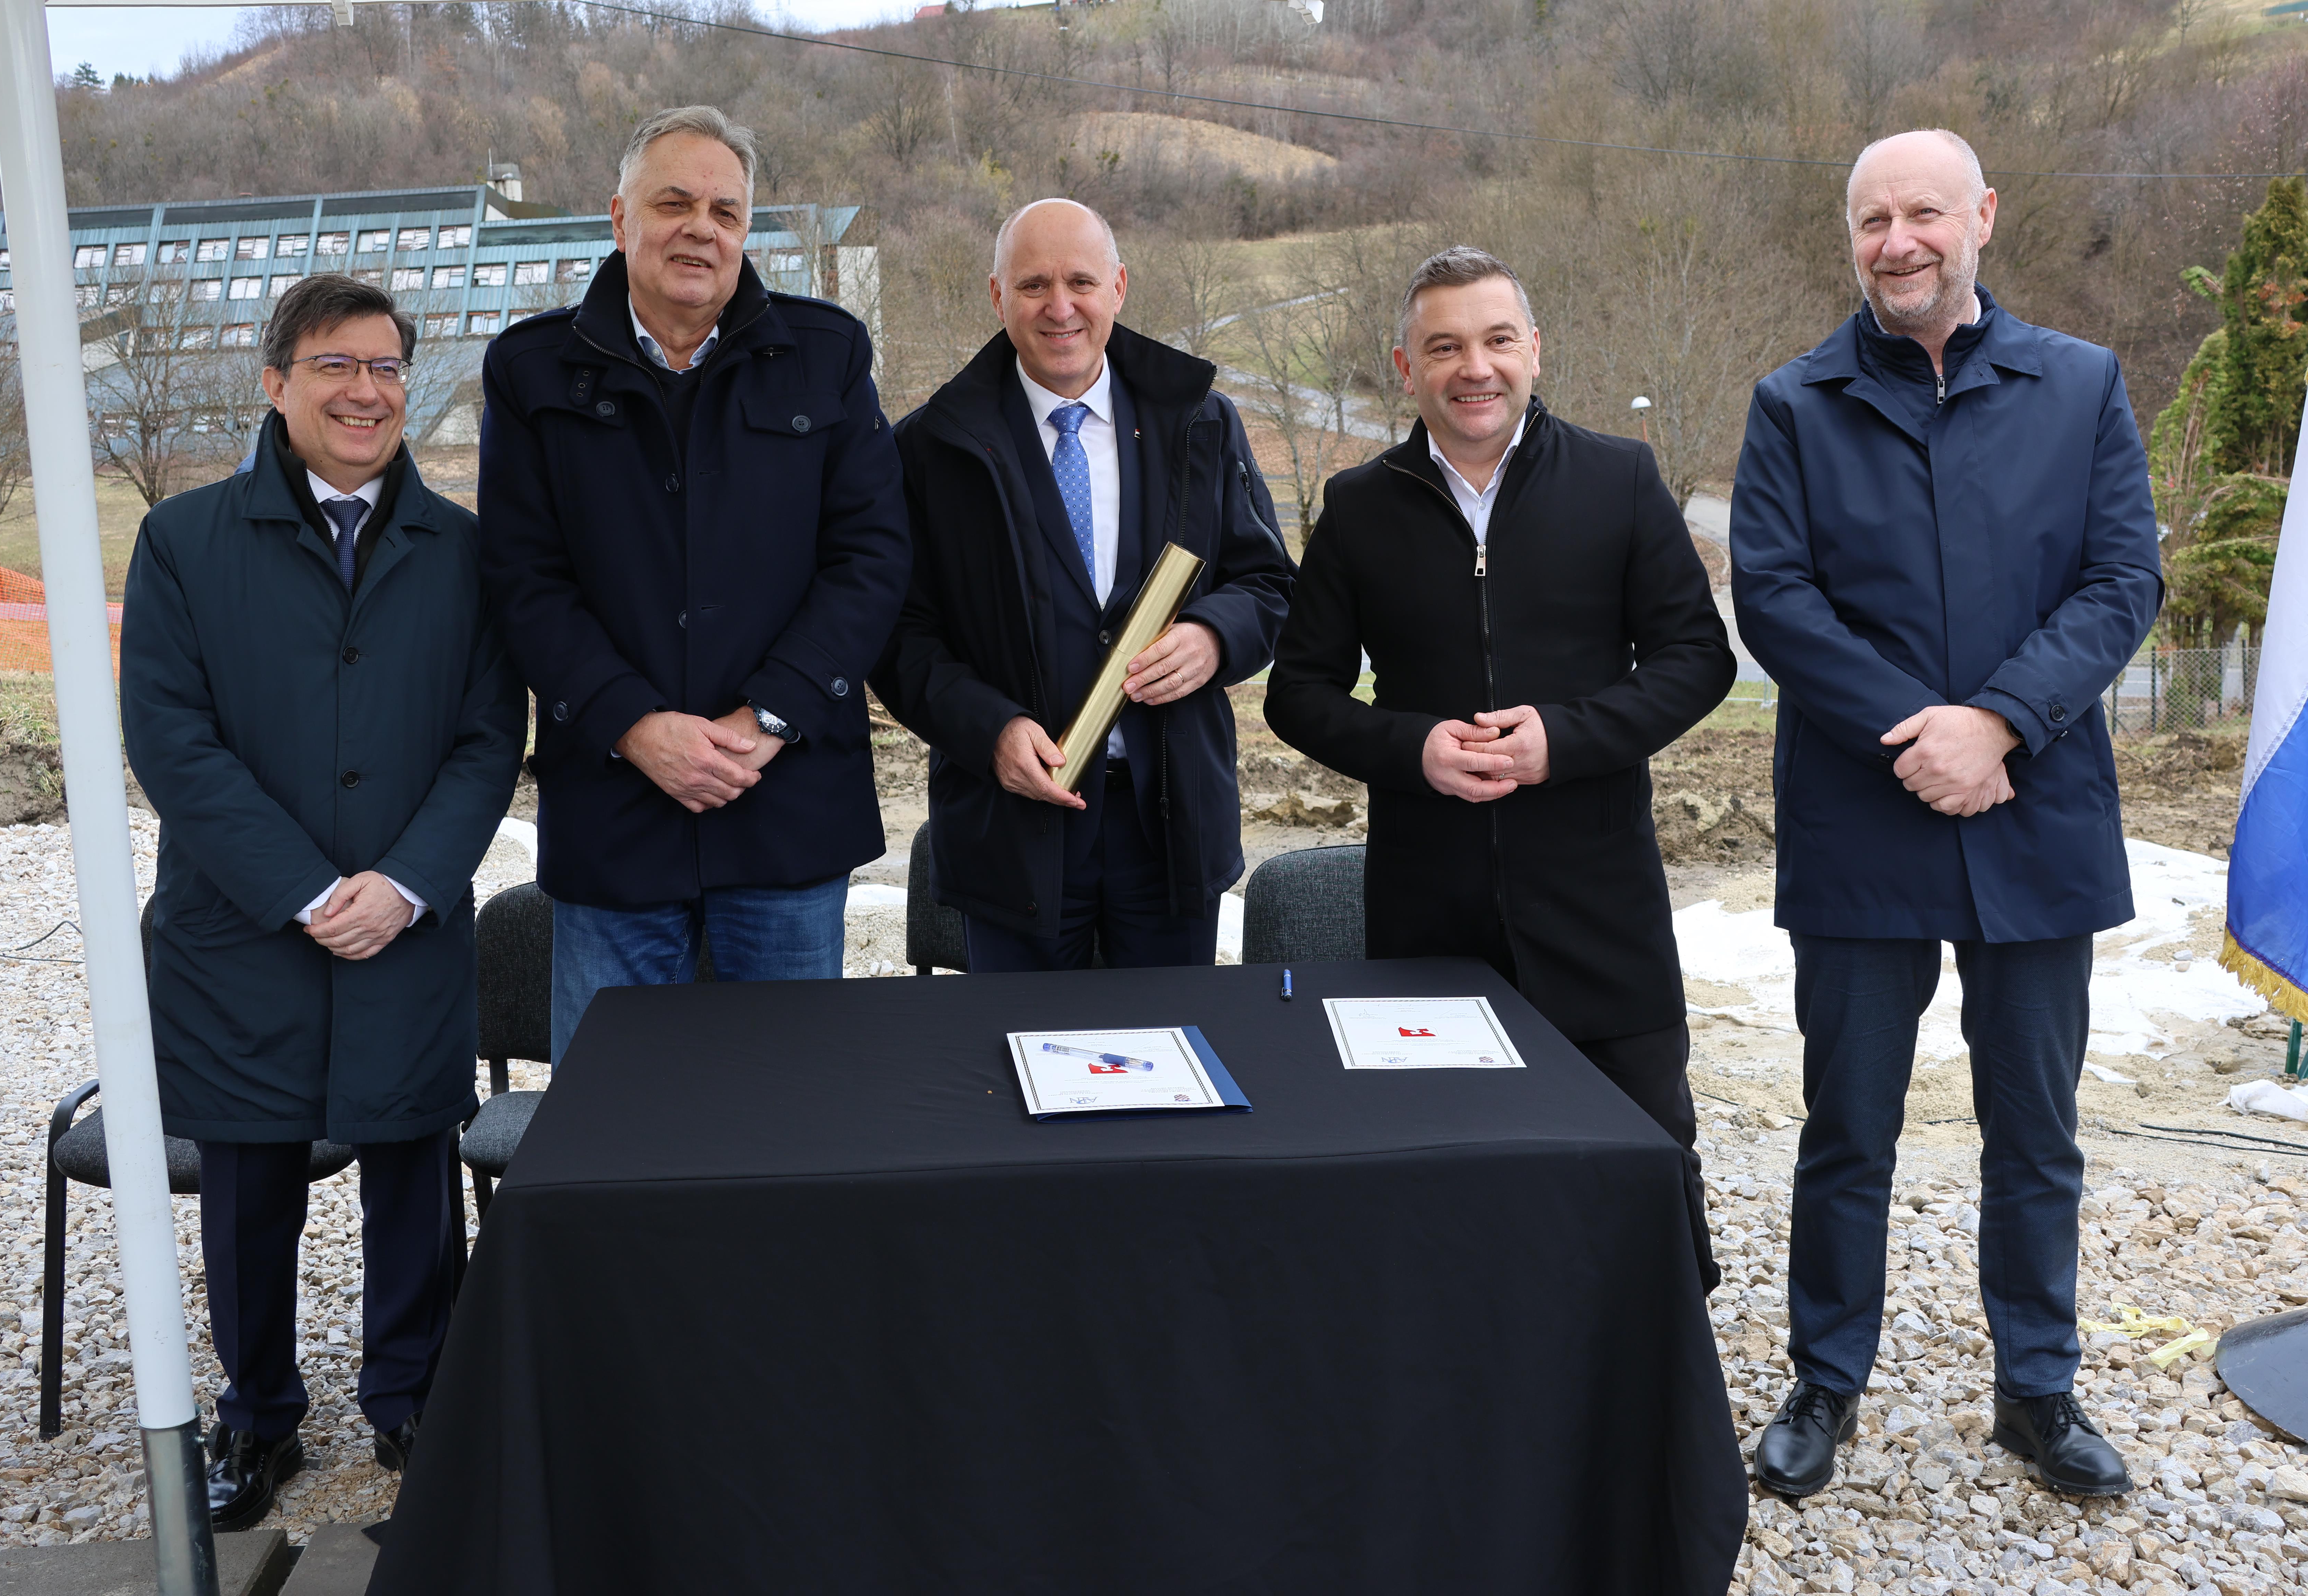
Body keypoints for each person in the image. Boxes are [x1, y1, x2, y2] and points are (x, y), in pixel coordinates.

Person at [1731, 129, 2161, 1499]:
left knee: (2036, 1130)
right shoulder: (1794, 404)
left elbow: (2121, 581)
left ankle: (2038, 1390)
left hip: (2035, 806)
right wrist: (1923, 735)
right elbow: (1776, 599)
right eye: (1873, 219)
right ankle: (1825, 1379)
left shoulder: (2082, 384)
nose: (1898, 241)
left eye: (1924, 212)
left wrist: (2002, 721)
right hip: (1865, 814)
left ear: (1982, 217)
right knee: (1847, 1125)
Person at [121, 275, 525, 1525]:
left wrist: (406, 884)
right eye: (336, 365)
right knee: (250, 1184)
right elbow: (173, 740)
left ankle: (413, 1401)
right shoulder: (184, 541)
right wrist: (303, 891)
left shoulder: (465, 550)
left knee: (412, 1169)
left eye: (387, 367)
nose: (366, 391)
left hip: (409, 925)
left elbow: (487, 739)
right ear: (275, 381)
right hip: (245, 932)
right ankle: (257, 1418)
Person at [1265, 246, 1735, 1289]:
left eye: (1497, 340)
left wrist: (1564, 740)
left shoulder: (1619, 480)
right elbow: (1296, 692)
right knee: (1445, 1191)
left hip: (1601, 912)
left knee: (1640, 1178)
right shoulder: (1359, 506)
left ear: (1535, 350)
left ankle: (1651, 1377)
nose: (1474, 368)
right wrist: (1413, 749)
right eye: (1444, 348)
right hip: (1428, 918)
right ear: (1406, 367)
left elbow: (1697, 658)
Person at [480, 106, 911, 1059]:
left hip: (787, 801)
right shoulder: (531, 370)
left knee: (786, 1105)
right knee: (617, 1112)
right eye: (673, 203)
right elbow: (524, 578)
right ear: (619, 217)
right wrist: (635, 725)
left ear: (746, 229)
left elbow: (872, 558)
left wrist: (768, 717)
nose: (700, 230)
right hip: (616, 810)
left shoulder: (828, 353)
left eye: (725, 211)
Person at [873, 200, 1292, 969]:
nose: (1059, 307)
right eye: (1033, 285)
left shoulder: (1201, 423)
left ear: (1119, 287)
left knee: (1173, 1042)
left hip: (1170, 826)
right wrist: (989, 730)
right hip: (1011, 829)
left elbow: (1270, 584)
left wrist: (1213, 636)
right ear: (997, 296)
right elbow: (897, 636)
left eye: (1081, 283)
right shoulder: (931, 449)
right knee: (1018, 1043)